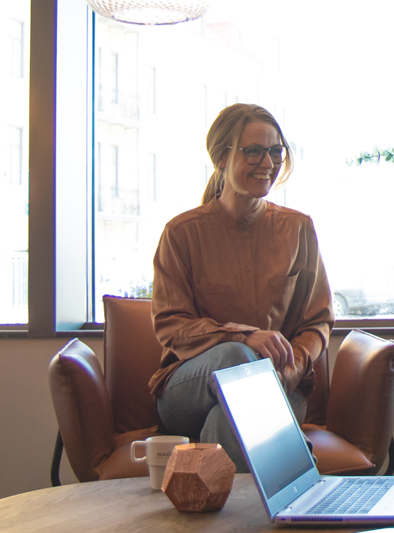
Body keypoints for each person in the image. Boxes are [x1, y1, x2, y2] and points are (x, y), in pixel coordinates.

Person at [148, 103, 334, 472]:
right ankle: (299, 478)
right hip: (188, 389)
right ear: (221, 158)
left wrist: (292, 369)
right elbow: (171, 326)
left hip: (279, 384)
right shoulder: (182, 233)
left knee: (226, 421)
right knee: (236, 358)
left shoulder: (298, 229)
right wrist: (244, 336)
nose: (268, 162)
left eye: (275, 151)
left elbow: (318, 321)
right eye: (253, 151)